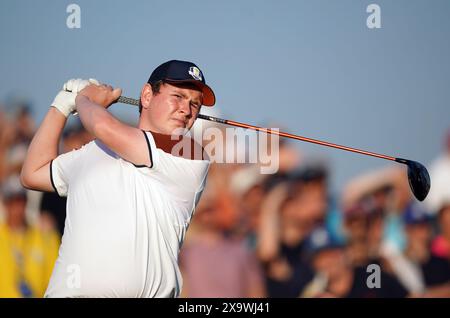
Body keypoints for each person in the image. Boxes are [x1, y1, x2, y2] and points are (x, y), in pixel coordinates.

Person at [20, 60, 216, 297]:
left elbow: (102, 125)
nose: (187, 109)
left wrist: (83, 99)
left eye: (195, 104)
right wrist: (61, 105)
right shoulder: (92, 152)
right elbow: (33, 173)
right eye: (178, 96)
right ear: (146, 96)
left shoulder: (189, 154)